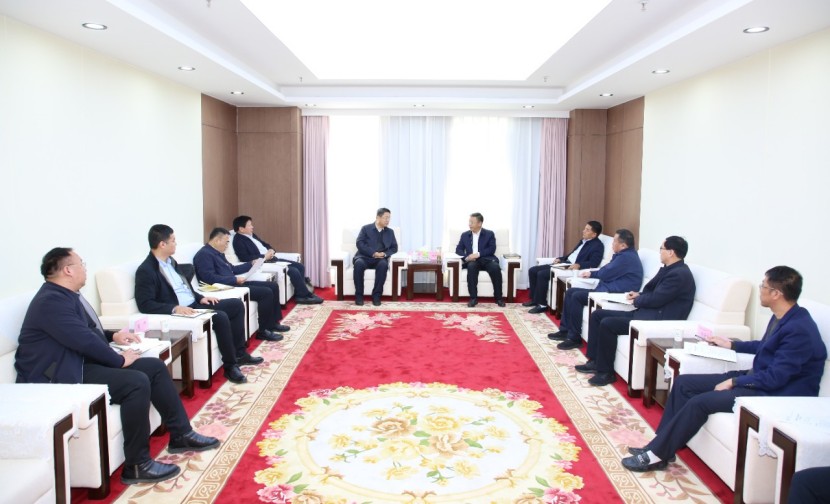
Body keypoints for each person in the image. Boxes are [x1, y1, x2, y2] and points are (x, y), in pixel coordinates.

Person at [15, 247, 220, 485]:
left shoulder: (64, 295)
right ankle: (137, 464)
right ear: (68, 270)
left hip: (75, 362)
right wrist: (119, 360)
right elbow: (82, 339)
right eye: (81, 263)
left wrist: (113, 336)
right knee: (135, 382)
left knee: (153, 367)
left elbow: (86, 331)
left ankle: (181, 434)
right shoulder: (51, 301)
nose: (85, 268)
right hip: (59, 375)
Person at [622, 266, 826, 472]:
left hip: (775, 393)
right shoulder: (783, 316)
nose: (760, 290)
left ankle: (657, 455)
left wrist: (734, 382)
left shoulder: (799, 329)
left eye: (763, 286)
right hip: (759, 379)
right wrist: (732, 344)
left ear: (776, 294)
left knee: (699, 403)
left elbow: (776, 378)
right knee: (684, 382)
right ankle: (660, 446)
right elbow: (765, 347)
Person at [135, 224, 261, 385]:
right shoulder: (146, 270)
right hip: (183, 311)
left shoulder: (171, 262)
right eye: (173, 240)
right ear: (162, 244)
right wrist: (174, 308)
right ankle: (230, 366)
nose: (176, 243)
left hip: (195, 303)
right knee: (220, 317)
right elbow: (145, 304)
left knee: (236, 305)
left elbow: (185, 287)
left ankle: (240, 354)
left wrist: (201, 297)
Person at [576, 236, 696, 386]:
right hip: (646, 313)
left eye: (661, 249)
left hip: (654, 321)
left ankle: (606, 373)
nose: (660, 252)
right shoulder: (670, 269)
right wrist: (639, 295)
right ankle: (595, 361)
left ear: (671, 252)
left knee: (608, 324)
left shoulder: (679, 275)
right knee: (597, 315)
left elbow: (657, 299)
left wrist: (637, 300)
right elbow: (655, 293)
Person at [549, 229, 643, 349]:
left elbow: (605, 273)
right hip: (606, 289)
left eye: (614, 241)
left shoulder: (626, 258)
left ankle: (574, 338)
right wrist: (593, 274)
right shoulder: (624, 255)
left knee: (576, 296)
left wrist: (593, 274)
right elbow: (607, 270)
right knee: (571, 292)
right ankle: (565, 330)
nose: (612, 244)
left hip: (614, 294)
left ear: (623, 245)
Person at [193, 227, 289, 342]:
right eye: (226, 242)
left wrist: (251, 264)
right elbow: (209, 278)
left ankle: (273, 323)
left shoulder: (218, 253)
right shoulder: (204, 255)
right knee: (265, 293)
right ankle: (263, 331)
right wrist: (234, 280)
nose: (227, 245)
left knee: (273, 286)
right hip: (226, 287)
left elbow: (232, 269)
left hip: (234, 282)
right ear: (217, 240)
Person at [231, 215, 323, 305]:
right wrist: (264, 256)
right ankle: (303, 296)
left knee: (300, 266)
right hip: (263, 263)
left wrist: (271, 250)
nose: (252, 227)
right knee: (293, 270)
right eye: (249, 225)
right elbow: (245, 258)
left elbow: (265, 244)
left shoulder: (252, 235)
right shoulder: (238, 241)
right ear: (241, 229)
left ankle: (301, 293)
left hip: (271, 258)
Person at [524, 221, 604, 314]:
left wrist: (579, 265)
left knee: (542, 274)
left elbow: (594, 263)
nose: (583, 231)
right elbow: (571, 255)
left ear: (594, 234)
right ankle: (535, 300)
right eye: (584, 228)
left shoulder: (598, 246)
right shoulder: (583, 241)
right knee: (532, 270)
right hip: (564, 263)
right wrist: (560, 259)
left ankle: (542, 305)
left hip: (572, 268)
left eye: (587, 230)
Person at [455, 212, 505, 307]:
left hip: (487, 259)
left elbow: (492, 249)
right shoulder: (465, 235)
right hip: (473, 261)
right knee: (471, 267)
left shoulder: (489, 234)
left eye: (472, 222)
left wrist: (477, 254)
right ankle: (473, 299)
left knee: (495, 268)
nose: (469, 224)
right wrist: (467, 257)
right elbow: (458, 249)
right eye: (469, 222)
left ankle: (498, 298)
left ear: (479, 223)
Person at [353, 208, 398, 306]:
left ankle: (376, 296)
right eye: (386, 218)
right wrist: (373, 253)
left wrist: (384, 254)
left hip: (380, 259)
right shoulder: (365, 228)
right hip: (364, 257)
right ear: (378, 217)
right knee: (358, 264)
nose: (387, 220)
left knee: (383, 265)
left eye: (389, 218)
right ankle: (359, 296)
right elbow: (359, 243)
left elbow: (394, 248)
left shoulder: (390, 232)